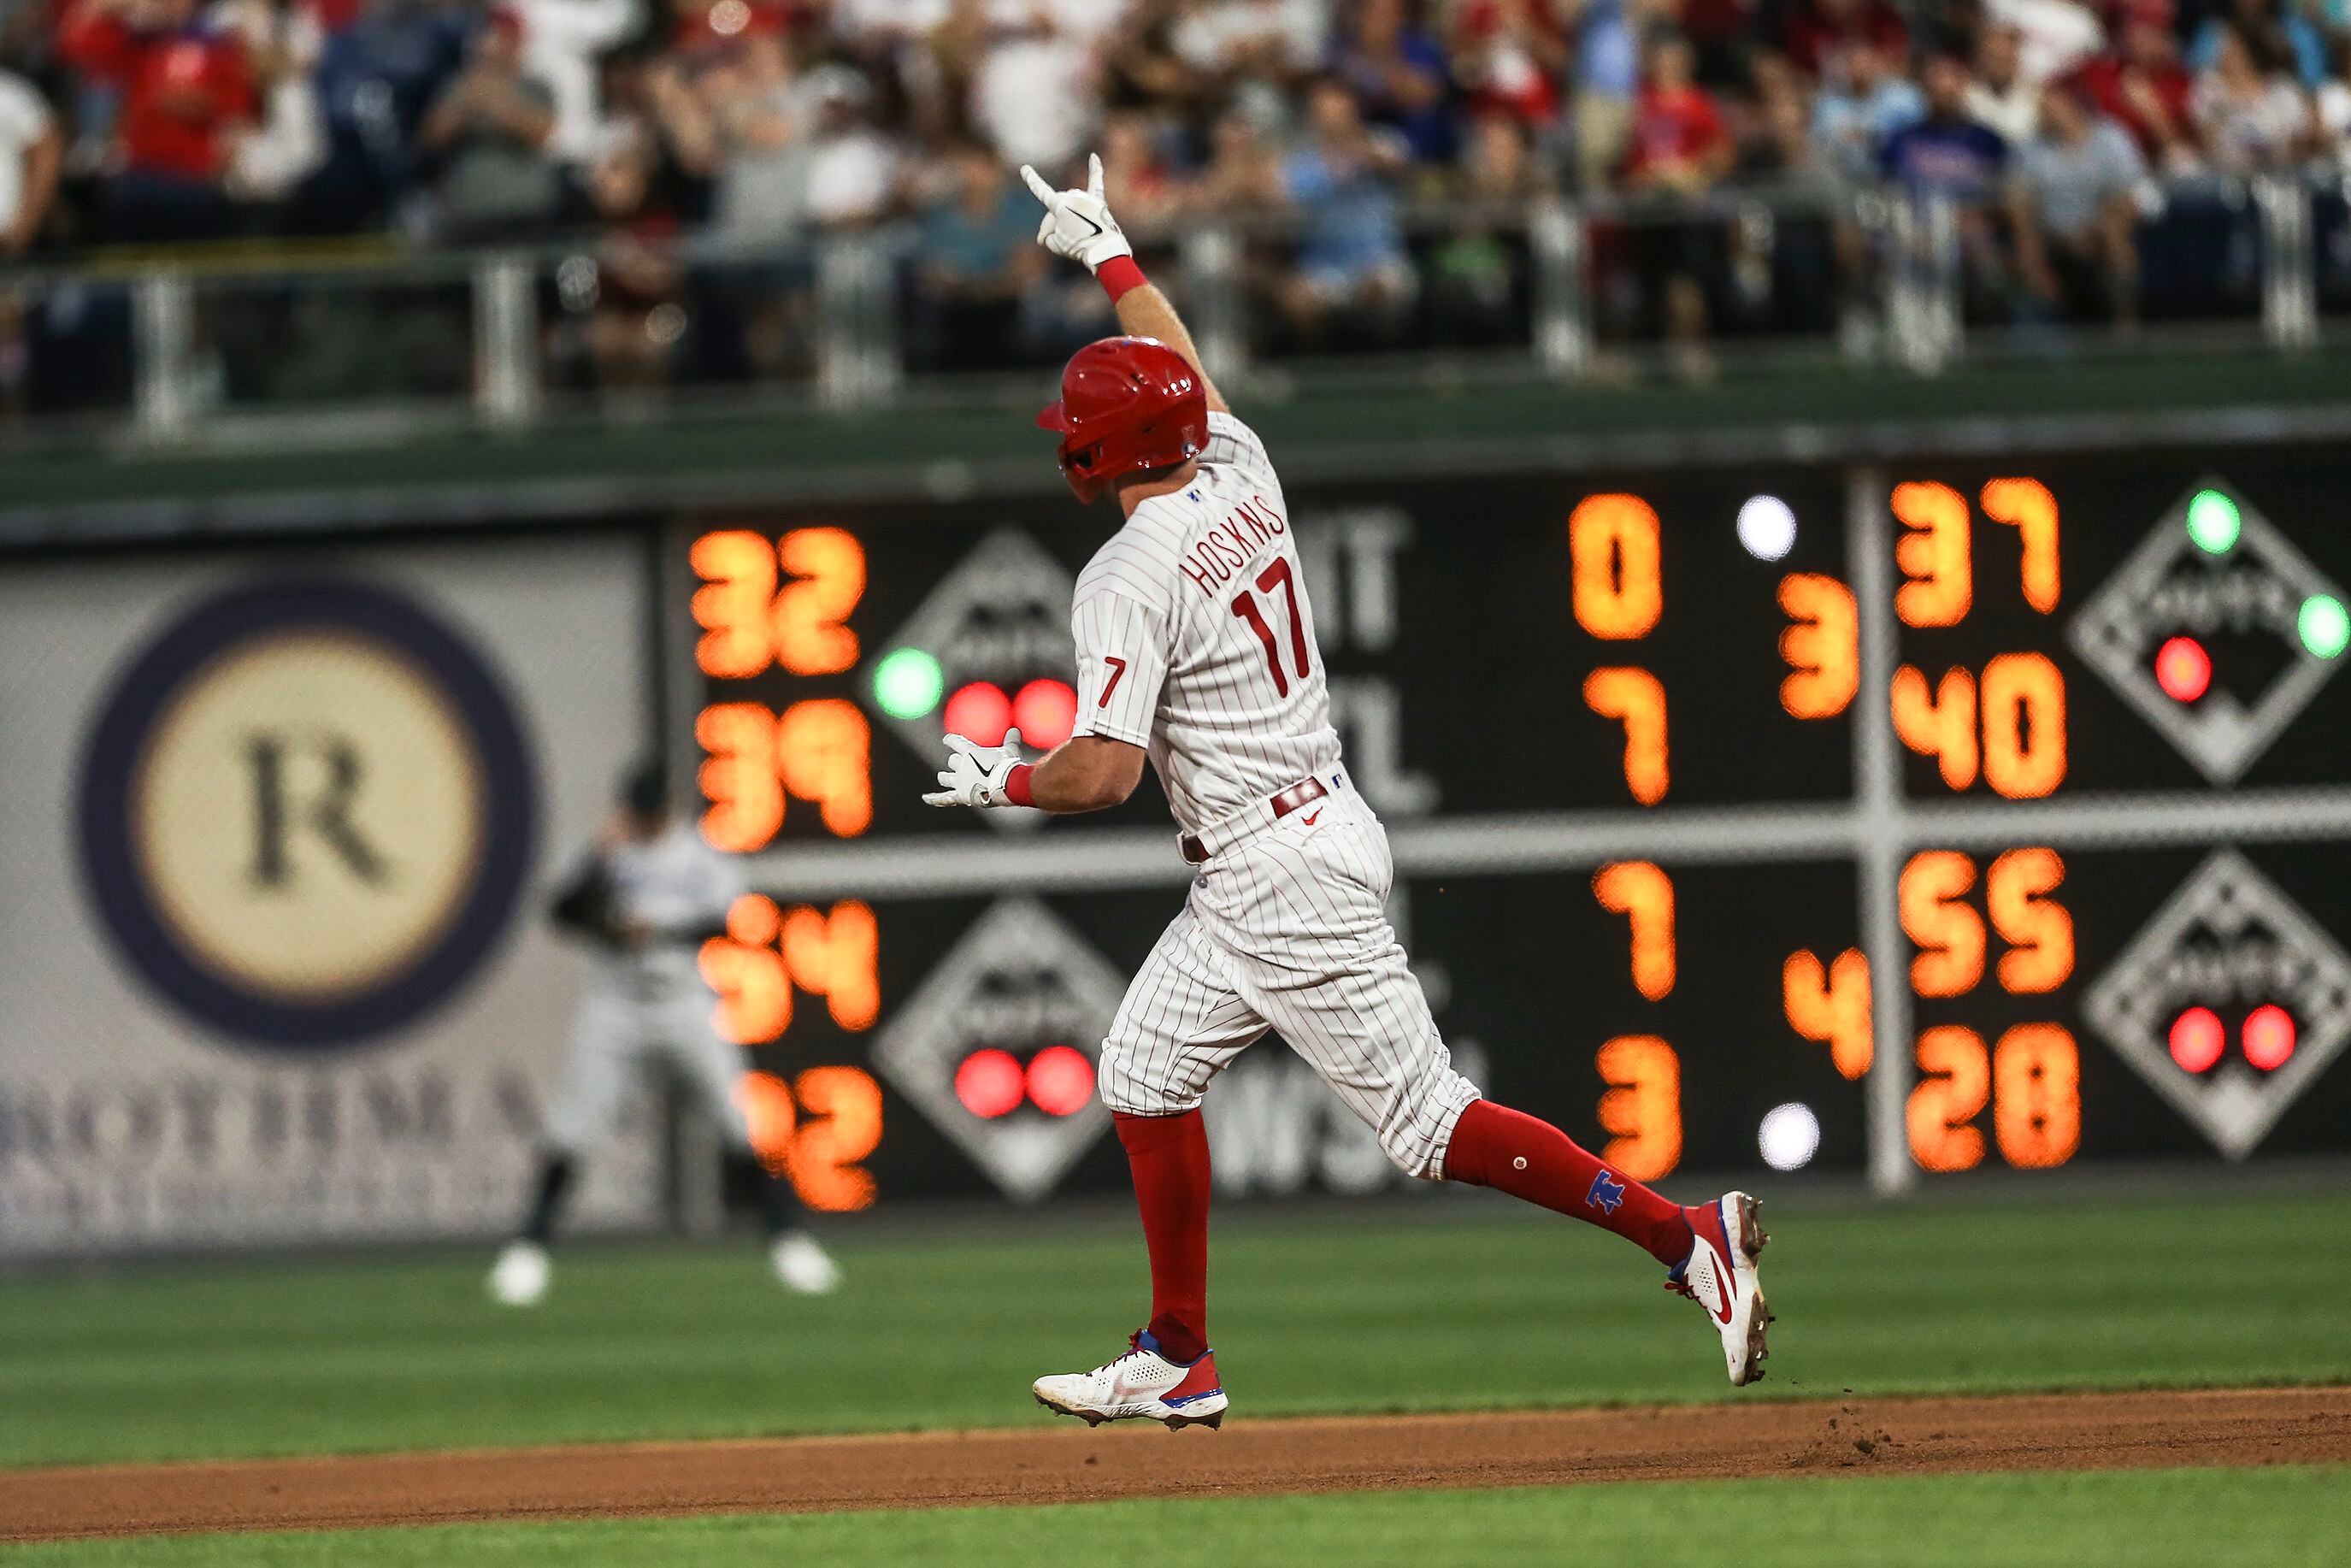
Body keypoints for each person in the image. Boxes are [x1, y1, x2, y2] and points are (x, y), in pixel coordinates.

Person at [920, 153, 1774, 1429]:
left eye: (1077, 434)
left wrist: (1003, 778)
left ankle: (1685, 1235)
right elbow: (1179, 374)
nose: (1070, 449)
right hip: (1292, 831)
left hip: (1274, 869)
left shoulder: (1123, 574)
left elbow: (1097, 773)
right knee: (1143, 1070)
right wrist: (1112, 259)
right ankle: (1177, 1355)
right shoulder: (1238, 466)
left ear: (1102, 452)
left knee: (1431, 1126)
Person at [489, 761, 842, 1307]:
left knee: (739, 1123)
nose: (646, 821)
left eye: (652, 811)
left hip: (683, 1002)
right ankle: (528, 1253)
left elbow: (728, 920)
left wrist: (658, 930)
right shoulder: (605, 852)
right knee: (571, 1126)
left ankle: (789, 1243)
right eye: (639, 811)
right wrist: (602, 873)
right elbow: (560, 913)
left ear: (667, 806)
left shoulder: (697, 851)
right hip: (615, 1004)